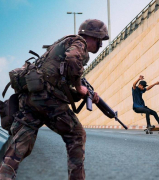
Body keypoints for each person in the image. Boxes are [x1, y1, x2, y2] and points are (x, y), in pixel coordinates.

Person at [0, 19, 109, 180]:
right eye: (100, 41)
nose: (100, 45)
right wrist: (79, 88)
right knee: (77, 136)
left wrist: (82, 94)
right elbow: (73, 59)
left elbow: (58, 83)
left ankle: (4, 176)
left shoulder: (62, 44)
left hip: (33, 99)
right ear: (94, 37)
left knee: (20, 145)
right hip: (48, 101)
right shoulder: (79, 42)